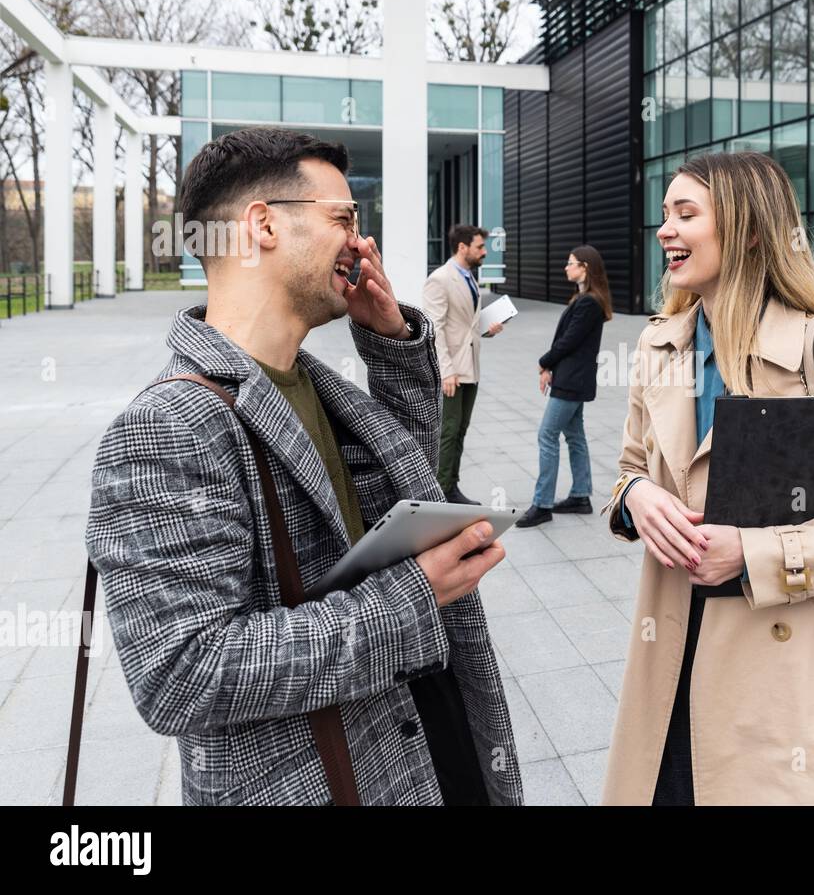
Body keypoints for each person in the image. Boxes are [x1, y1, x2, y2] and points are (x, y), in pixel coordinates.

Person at [84, 127, 522, 806]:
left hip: (409, 749)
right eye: (342, 218)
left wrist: (393, 343)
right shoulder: (165, 428)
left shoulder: (313, 382)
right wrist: (413, 597)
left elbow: (402, 490)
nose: (359, 242)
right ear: (261, 225)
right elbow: (181, 674)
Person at [599, 151, 814, 805]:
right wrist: (636, 497)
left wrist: (755, 553)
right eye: (664, 214)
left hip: (786, 677)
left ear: (750, 229)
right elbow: (631, 468)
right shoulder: (658, 343)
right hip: (670, 658)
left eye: (686, 213)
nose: (665, 229)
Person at [517, 246, 613, 528]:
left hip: (571, 381)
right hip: (573, 378)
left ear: (584, 267)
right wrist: (550, 367)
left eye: (570, 263)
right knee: (575, 436)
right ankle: (581, 496)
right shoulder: (585, 299)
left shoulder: (588, 303)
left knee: (547, 435)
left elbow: (568, 341)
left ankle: (542, 504)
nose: (565, 267)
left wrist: (544, 363)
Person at [421, 224, 505, 505]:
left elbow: (465, 324)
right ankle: (441, 491)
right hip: (452, 371)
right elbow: (435, 328)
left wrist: (486, 329)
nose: (484, 252)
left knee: (460, 429)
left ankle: (452, 486)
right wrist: (446, 370)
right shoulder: (440, 279)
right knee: (448, 431)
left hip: (471, 367)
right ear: (462, 247)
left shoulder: (469, 276)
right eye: (480, 247)